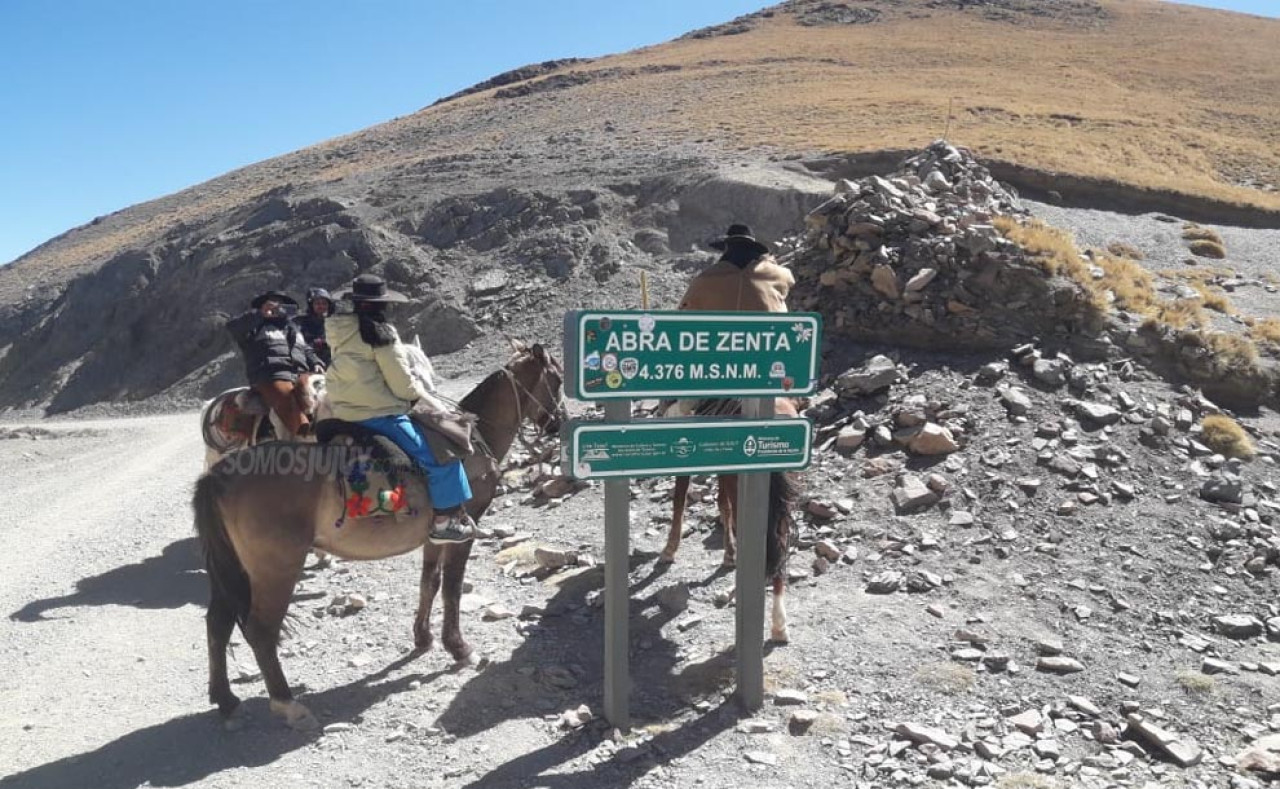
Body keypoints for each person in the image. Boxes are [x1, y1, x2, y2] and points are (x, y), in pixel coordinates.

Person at [324, 274, 475, 544]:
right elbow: (403, 385)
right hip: (380, 413)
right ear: (382, 304)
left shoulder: (339, 330)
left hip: (344, 412)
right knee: (441, 456)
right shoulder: (380, 333)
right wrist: (423, 400)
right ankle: (443, 523)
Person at [226, 290, 323, 437]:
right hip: (269, 375)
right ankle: (303, 433)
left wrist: (316, 362)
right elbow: (232, 327)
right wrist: (260, 315)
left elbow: (306, 349)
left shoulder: (293, 327)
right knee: (285, 396)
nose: (278, 307)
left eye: (281, 304)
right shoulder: (254, 326)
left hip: (299, 372)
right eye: (272, 304)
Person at [677, 223, 793, 312]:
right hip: (767, 339)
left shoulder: (704, 279)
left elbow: (683, 313)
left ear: (727, 250)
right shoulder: (780, 275)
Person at [297, 287, 334, 369]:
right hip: (306, 364)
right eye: (317, 303)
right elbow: (301, 345)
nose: (321, 306)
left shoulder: (334, 323)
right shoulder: (300, 323)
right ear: (311, 305)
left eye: (324, 303)